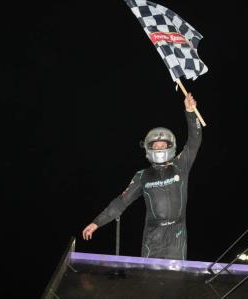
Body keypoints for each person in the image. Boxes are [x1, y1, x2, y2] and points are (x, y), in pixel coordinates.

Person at [82, 93, 202, 260]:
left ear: (171, 146)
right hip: (153, 238)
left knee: (175, 282)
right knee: (150, 282)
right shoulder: (143, 176)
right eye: (156, 145)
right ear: (148, 149)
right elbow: (121, 202)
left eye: (163, 145)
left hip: (177, 235)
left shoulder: (180, 166)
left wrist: (190, 112)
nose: (160, 147)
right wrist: (97, 222)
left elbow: (194, 141)